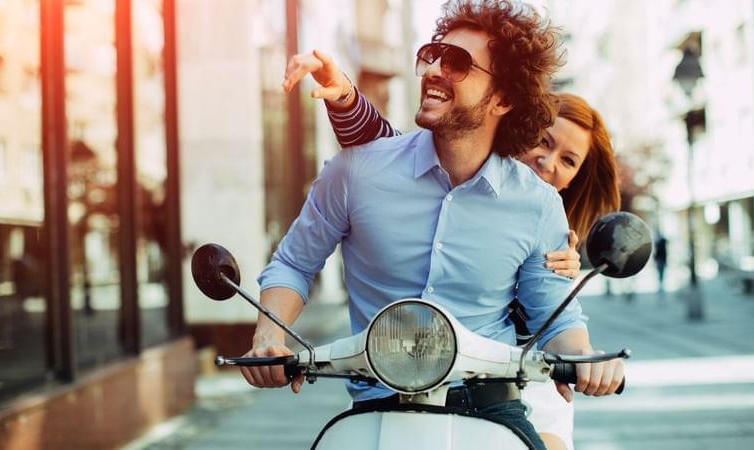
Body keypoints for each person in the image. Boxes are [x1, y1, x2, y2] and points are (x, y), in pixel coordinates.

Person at [244, 2, 624, 449]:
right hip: (376, 404)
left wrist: (584, 358)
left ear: (502, 99)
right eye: (434, 55)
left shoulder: (536, 203)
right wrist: (269, 335)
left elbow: (556, 314)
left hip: (490, 408)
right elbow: (293, 263)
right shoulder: (355, 172)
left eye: (459, 64)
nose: (435, 70)